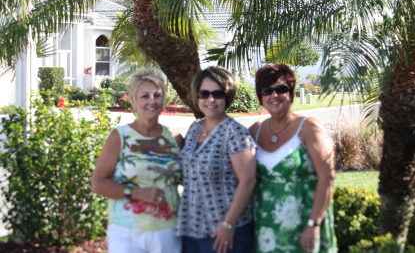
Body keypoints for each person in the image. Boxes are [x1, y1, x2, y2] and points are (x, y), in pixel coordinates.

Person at [92, 68, 184, 253]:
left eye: (157, 95)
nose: (152, 101)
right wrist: (136, 193)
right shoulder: (120, 136)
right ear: (133, 101)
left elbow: (186, 179)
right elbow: (98, 184)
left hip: (168, 232)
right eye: (145, 96)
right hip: (127, 235)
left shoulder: (175, 138)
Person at [249, 64, 337, 253]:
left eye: (281, 89)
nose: (275, 95)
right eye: (267, 90)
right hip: (265, 228)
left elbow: (327, 177)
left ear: (291, 92)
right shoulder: (255, 131)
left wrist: (313, 224)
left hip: (304, 224)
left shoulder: (309, 128)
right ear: (260, 96)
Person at [176, 66, 257, 253]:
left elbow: (248, 181)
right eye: (204, 93)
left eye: (217, 94)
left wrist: (228, 225)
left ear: (227, 96)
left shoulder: (235, 132)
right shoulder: (195, 128)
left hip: (224, 233)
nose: (210, 99)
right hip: (192, 228)